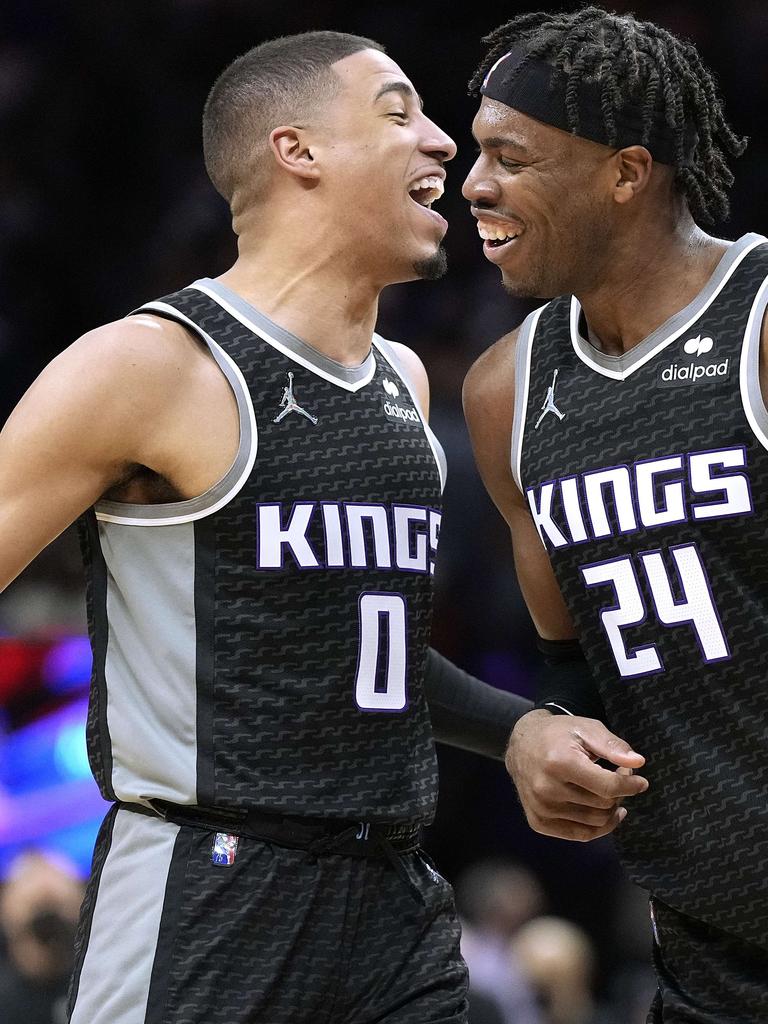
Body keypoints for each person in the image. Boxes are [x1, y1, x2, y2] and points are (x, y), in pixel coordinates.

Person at [0, 30, 532, 1024]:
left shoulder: (404, 385)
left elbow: (367, 656)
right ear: (299, 151)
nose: (443, 144)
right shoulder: (152, 365)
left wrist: (520, 732)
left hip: (393, 897)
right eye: (399, 112)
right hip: (209, 890)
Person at [461, 7, 768, 1023]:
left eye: (511, 156)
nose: (473, 186)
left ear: (625, 173)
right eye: (475, 154)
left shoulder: (758, 323)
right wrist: (548, 743)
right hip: (701, 944)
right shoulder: (507, 387)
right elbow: (568, 669)